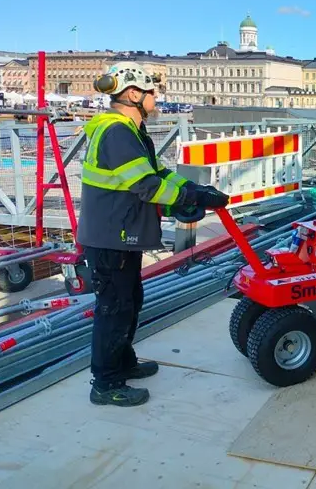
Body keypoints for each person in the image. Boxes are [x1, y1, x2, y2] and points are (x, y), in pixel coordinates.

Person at [78, 62, 229, 406]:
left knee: (130, 301)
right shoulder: (117, 133)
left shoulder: (132, 131)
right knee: (114, 308)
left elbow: (158, 173)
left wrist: (194, 189)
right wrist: (189, 199)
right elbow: (146, 186)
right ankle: (106, 384)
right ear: (133, 94)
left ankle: (123, 363)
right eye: (151, 92)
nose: (156, 98)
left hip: (120, 233)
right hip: (110, 237)